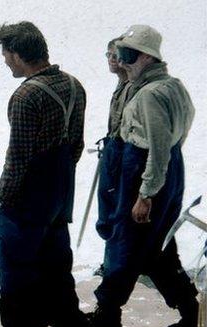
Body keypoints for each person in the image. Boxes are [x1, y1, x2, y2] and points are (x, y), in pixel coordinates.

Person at [88, 24, 197, 327]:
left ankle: (107, 314)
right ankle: (191, 312)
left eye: (127, 55)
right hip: (163, 167)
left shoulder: (148, 95)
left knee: (127, 242)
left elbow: (158, 146)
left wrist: (146, 192)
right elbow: (178, 134)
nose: (121, 62)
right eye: (119, 54)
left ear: (147, 58)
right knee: (156, 247)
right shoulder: (173, 86)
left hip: (143, 169)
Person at [0, 21, 92, 327]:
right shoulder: (75, 85)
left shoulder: (26, 95)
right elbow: (76, 146)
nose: (5, 61)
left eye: (6, 55)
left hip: (25, 203)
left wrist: (2, 200)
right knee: (58, 272)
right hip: (59, 198)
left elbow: (17, 159)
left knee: (17, 281)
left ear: (18, 54)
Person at [94, 36, 132, 277]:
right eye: (108, 54)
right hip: (114, 151)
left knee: (117, 214)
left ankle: (115, 266)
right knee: (110, 213)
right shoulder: (122, 85)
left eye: (115, 55)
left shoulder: (133, 87)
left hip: (123, 155)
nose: (111, 60)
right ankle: (111, 263)